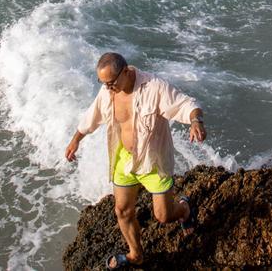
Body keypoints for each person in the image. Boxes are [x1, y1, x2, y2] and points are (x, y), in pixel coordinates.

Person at [65, 52, 207, 269]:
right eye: (102, 83)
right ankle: (136, 255)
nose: (107, 88)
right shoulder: (108, 91)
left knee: (163, 216)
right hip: (124, 159)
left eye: (111, 83)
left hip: (153, 161)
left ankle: (184, 209)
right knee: (122, 210)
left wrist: (195, 121)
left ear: (125, 72)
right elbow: (91, 117)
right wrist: (76, 140)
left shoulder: (154, 87)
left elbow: (186, 104)